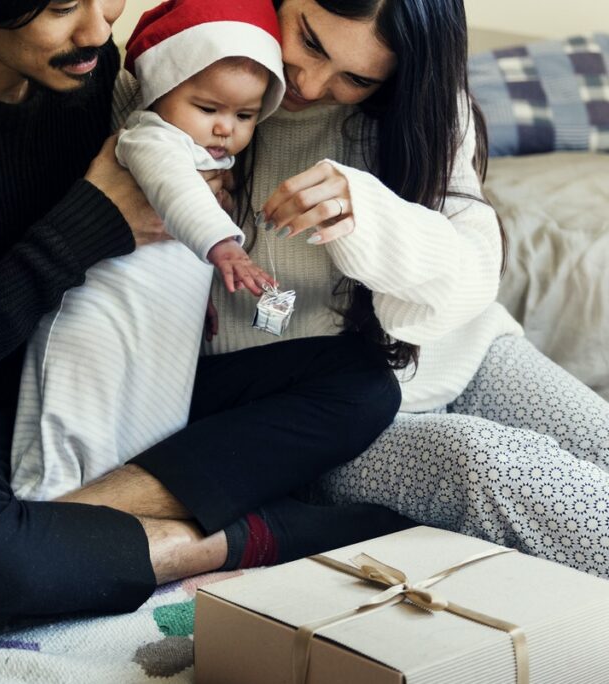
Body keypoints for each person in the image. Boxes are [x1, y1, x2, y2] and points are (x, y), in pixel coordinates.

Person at [0, 0, 412, 656]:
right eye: (65, 6)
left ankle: (48, 534)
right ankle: (230, 538)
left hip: (97, 387)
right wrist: (90, 223)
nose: (98, 31)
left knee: (360, 384)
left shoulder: (83, 68)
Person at [150, 0, 609, 576]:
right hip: (323, 424)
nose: (311, 84)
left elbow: (471, 272)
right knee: (496, 465)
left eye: (358, 77)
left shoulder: (427, 112)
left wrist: (368, 214)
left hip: (464, 353)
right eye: (310, 41)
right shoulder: (192, 83)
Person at [11, 0, 288, 501]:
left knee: (152, 422)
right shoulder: (150, 136)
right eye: (208, 109)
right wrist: (225, 247)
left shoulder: (210, 156)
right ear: (163, 90)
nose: (226, 127)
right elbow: (174, 191)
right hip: (101, 314)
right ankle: (41, 498)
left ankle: (104, 505)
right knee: (74, 410)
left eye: (245, 114)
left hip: (162, 327)